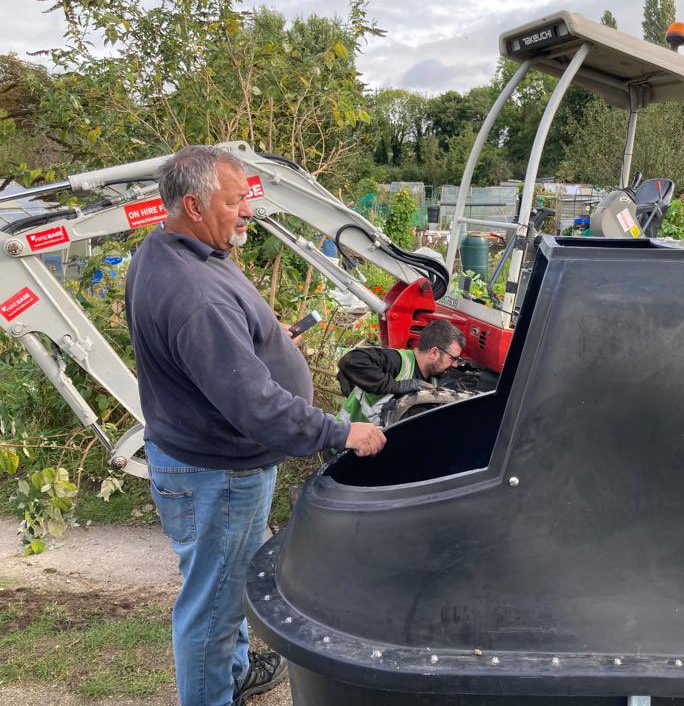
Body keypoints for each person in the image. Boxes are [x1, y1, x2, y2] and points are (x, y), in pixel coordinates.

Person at [125, 145, 386, 706]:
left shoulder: (169, 251)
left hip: (200, 460)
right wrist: (343, 432)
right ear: (193, 205)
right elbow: (257, 408)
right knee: (211, 611)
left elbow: (215, 356)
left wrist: (264, 344)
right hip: (217, 475)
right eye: (235, 200)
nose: (248, 211)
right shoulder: (195, 294)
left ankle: (235, 674)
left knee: (224, 587)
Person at [337, 319, 466, 424]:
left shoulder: (434, 378)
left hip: (371, 448)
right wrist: (397, 386)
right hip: (343, 442)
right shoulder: (398, 362)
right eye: (452, 358)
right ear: (434, 352)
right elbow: (350, 360)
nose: (454, 364)